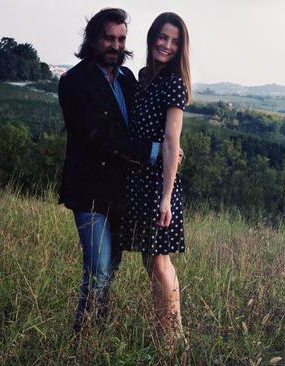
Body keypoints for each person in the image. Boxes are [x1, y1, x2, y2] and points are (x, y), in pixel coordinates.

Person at [58, 8, 164, 334]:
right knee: (99, 270)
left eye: (121, 39)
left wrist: (168, 142)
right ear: (93, 38)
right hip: (89, 192)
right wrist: (154, 152)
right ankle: (83, 339)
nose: (115, 45)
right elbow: (99, 137)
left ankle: (94, 332)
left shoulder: (127, 78)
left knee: (109, 270)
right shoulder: (74, 82)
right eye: (109, 38)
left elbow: (141, 122)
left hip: (121, 192)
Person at [118, 12, 191, 349]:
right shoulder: (144, 77)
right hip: (138, 180)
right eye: (163, 37)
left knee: (159, 262)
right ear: (151, 37)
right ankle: (171, 332)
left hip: (159, 185)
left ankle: (171, 337)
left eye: (175, 42)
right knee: (154, 261)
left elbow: (172, 141)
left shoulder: (175, 83)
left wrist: (166, 196)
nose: (167, 45)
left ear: (180, 49)